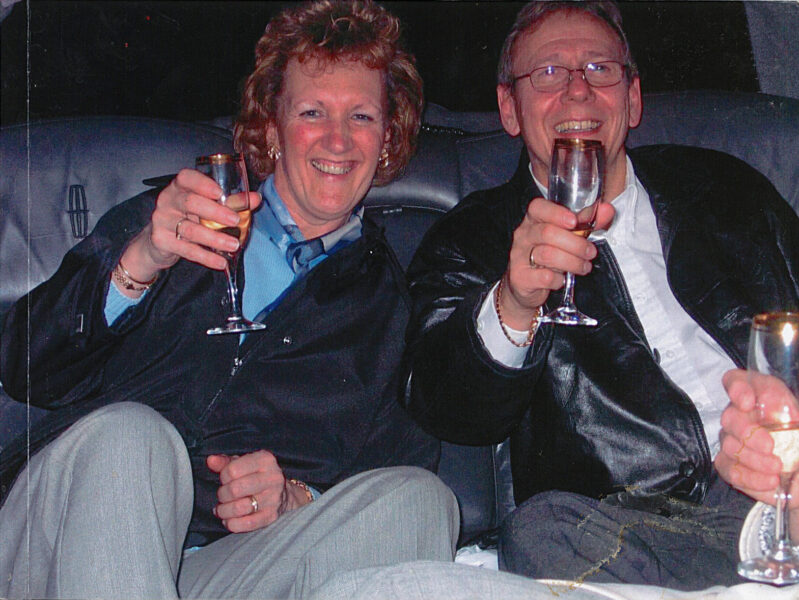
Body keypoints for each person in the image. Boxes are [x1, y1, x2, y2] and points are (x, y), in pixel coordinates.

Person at [0, 1, 459, 598]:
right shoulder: (171, 221)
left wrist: (296, 498)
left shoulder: (386, 307)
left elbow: (398, 457)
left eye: (362, 116)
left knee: (421, 501)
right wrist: (140, 262)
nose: (338, 139)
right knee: (132, 437)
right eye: (312, 111)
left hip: (215, 568)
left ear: (387, 136)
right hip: (58, 539)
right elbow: (25, 367)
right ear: (271, 128)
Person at [401, 0, 799, 591]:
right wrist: (515, 302)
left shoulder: (724, 187)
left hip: (780, 484)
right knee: (538, 533)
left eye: (600, 69)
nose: (578, 91)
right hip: (636, 529)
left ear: (632, 99)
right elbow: (446, 404)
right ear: (509, 108)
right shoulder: (470, 237)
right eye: (548, 73)